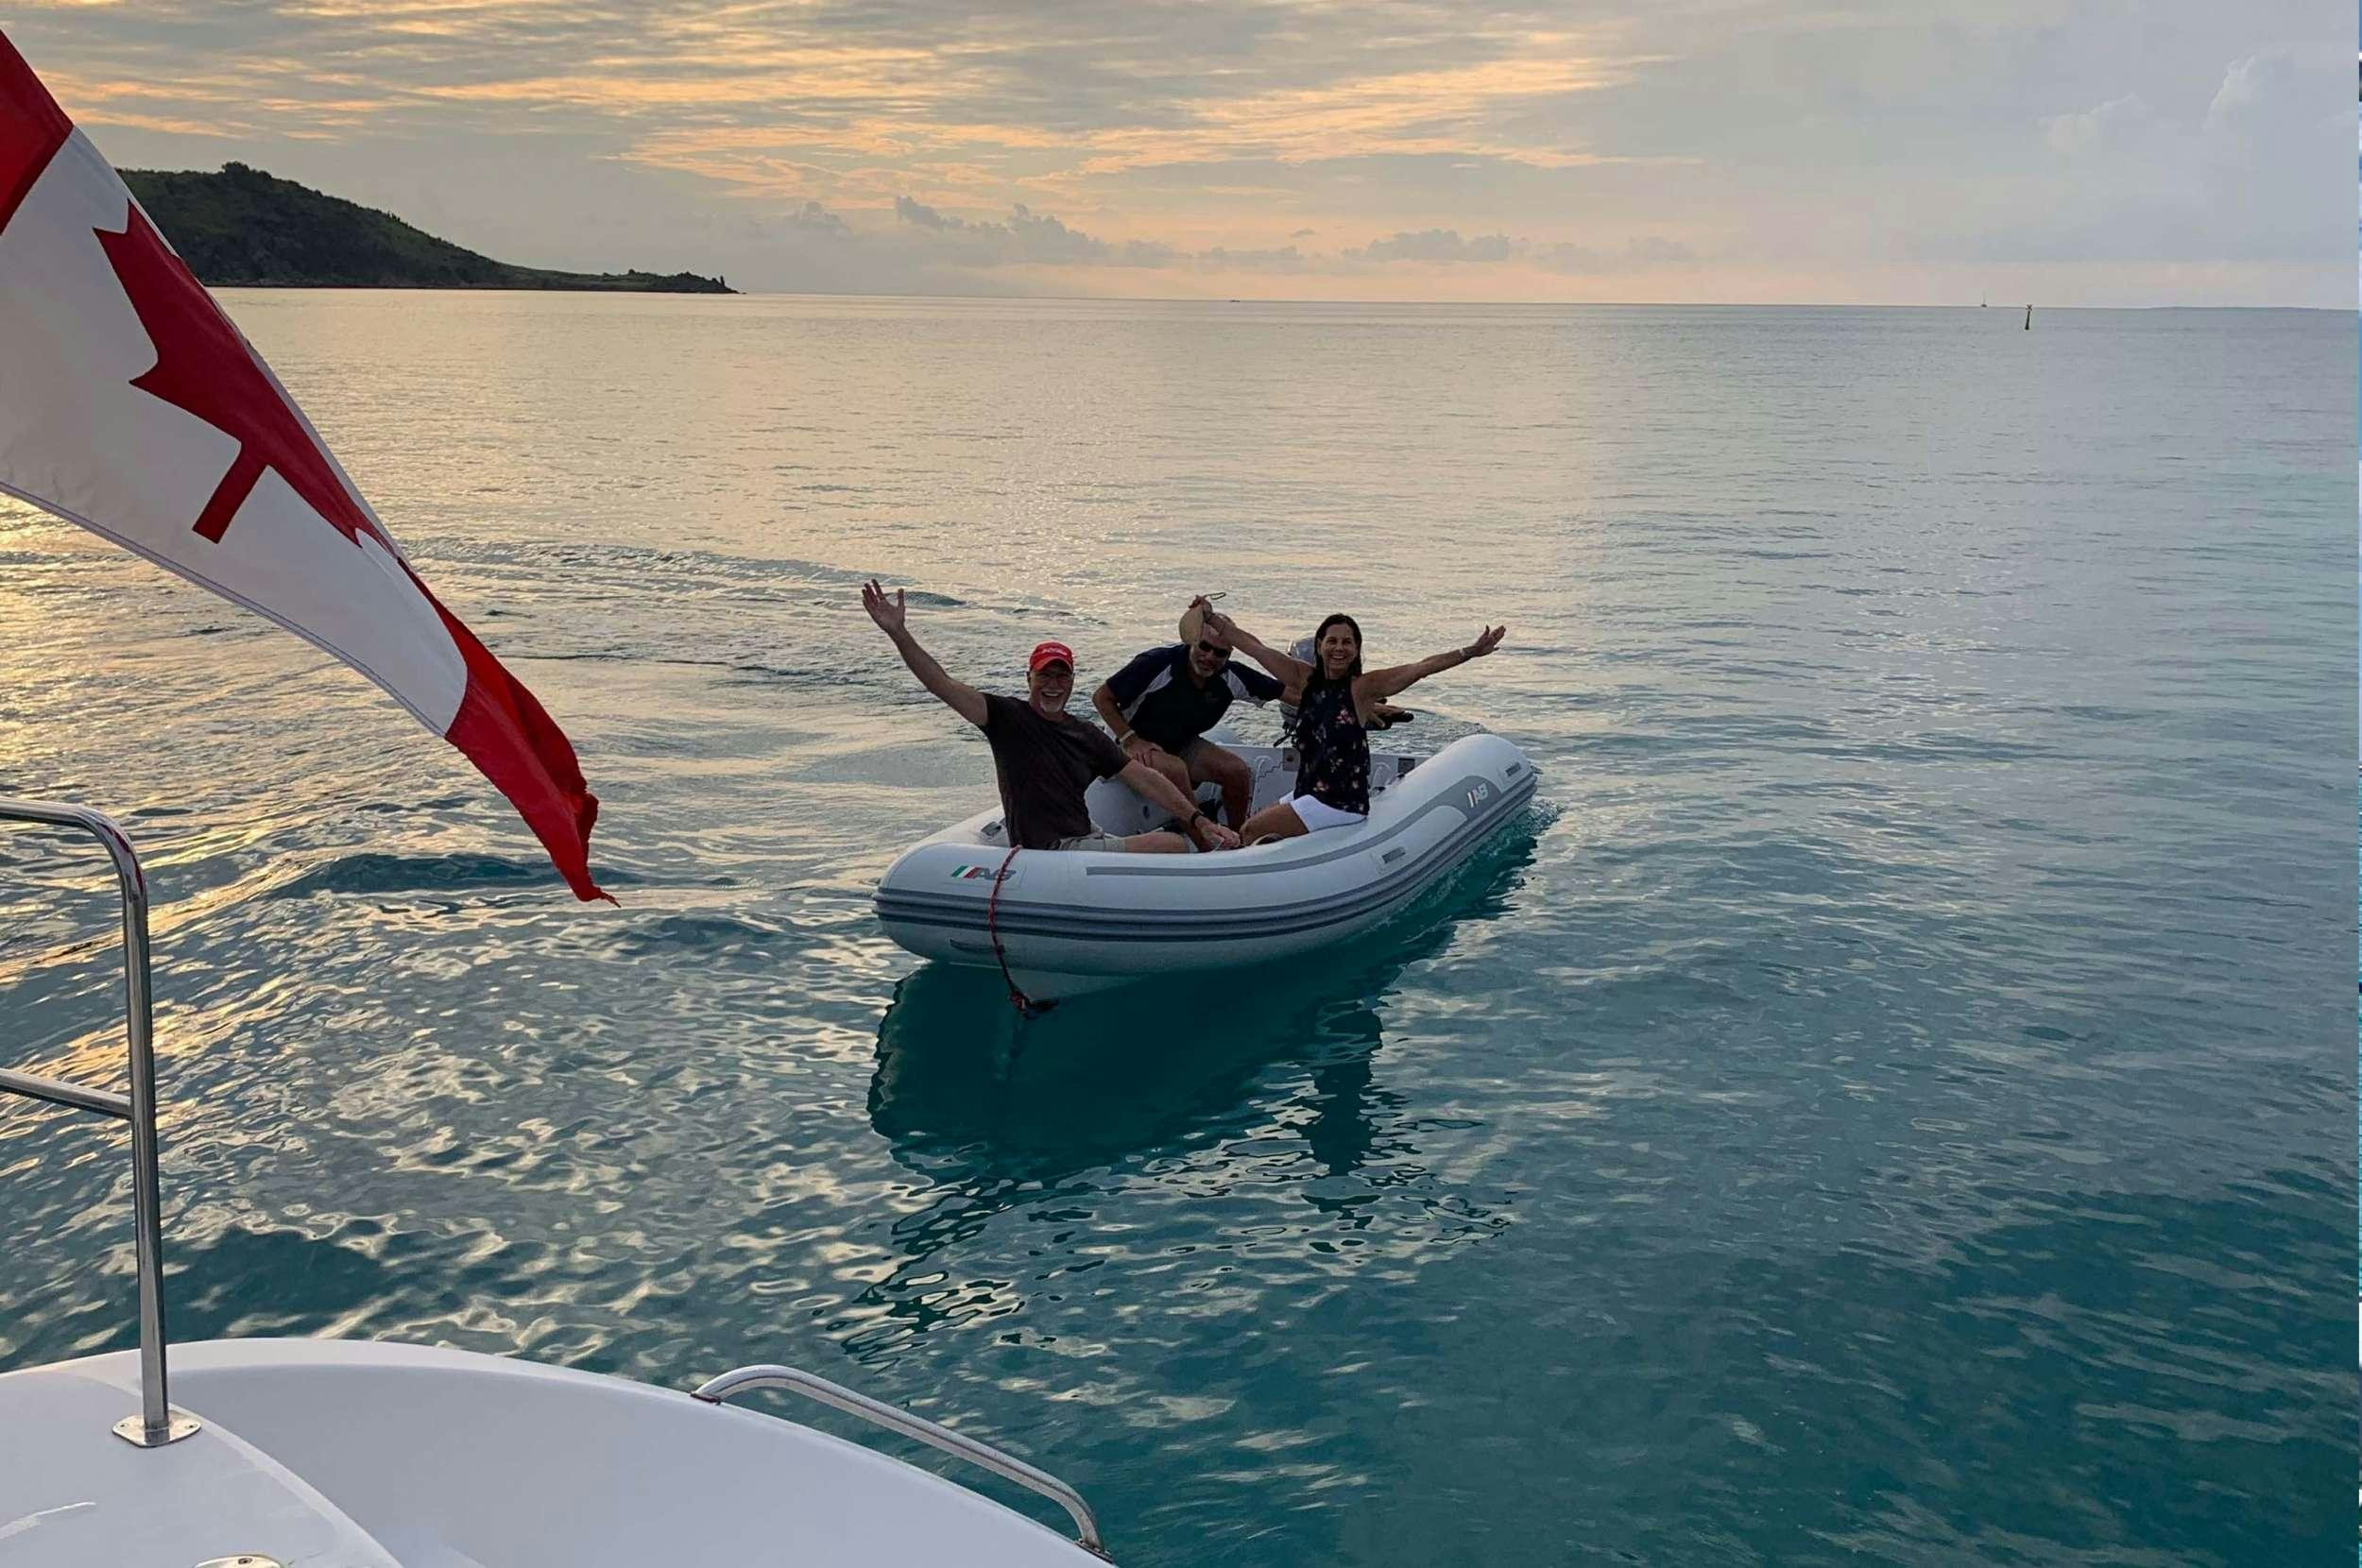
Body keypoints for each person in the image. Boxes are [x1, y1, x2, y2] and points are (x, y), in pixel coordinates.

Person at [862, 580, 1240, 854]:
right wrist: (899, 634)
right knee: (1171, 848)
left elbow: (1146, 780)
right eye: (1045, 675)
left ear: (1072, 681)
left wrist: (1197, 820)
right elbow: (941, 683)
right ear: (1029, 678)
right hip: (1058, 853)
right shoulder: (1006, 718)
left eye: (1062, 676)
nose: (1053, 685)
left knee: (1175, 842)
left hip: (1087, 838)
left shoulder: (1085, 734)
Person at [1202, 601, 1506, 843]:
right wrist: (1215, 621)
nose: (1339, 648)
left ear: (1356, 649)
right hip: (1307, 793)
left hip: (1338, 804)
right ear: (1319, 645)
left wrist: (1470, 652)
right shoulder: (1303, 678)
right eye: (1332, 641)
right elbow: (1256, 648)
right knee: (1263, 824)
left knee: (1250, 830)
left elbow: (1421, 667)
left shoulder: (1362, 689)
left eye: (1347, 642)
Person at [1090, 602, 1282, 828]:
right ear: (1193, 640)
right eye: (1204, 646)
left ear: (1229, 654)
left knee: (1237, 771)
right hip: (1128, 742)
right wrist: (1131, 740)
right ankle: (1207, 843)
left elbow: (1290, 692)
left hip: (1181, 744)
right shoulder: (1157, 663)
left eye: (1220, 652)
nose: (1210, 657)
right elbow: (1101, 697)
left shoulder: (1231, 676)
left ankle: (1238, 836)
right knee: (1175, 769)